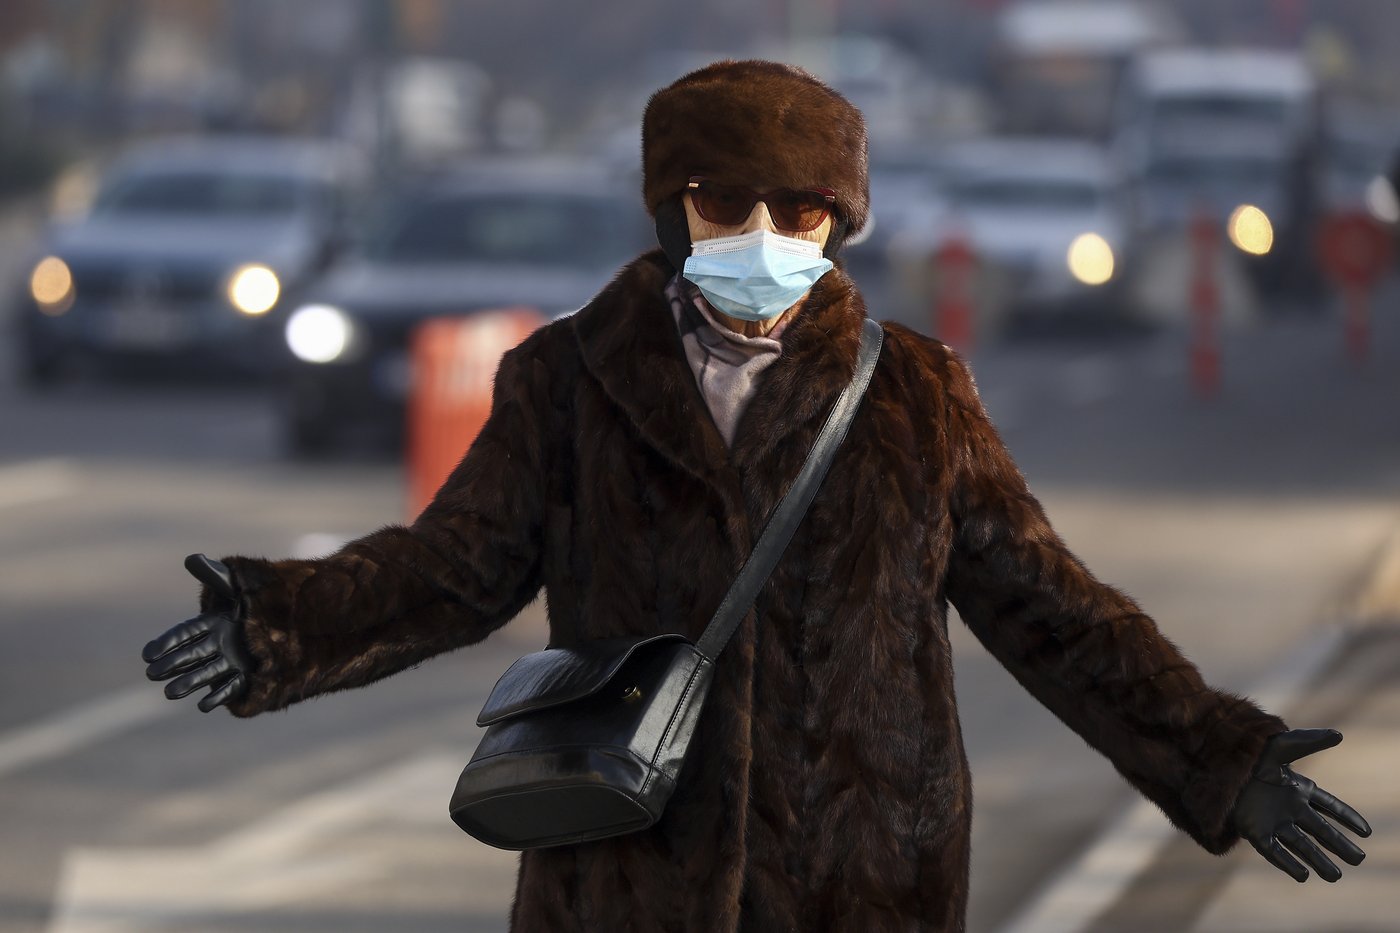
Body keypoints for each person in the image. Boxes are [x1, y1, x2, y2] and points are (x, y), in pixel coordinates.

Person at [143, 61, 1370, 932]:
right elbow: (451, 570)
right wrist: (273, 622)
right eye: (727, 202)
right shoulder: (565, 381)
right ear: (674, 208)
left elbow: (1048, 609)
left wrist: (1219, 760)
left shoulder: (914, 395)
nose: (764, 232)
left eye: (801, 208)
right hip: (626, 874)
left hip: (863, 884)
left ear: (838, 222)